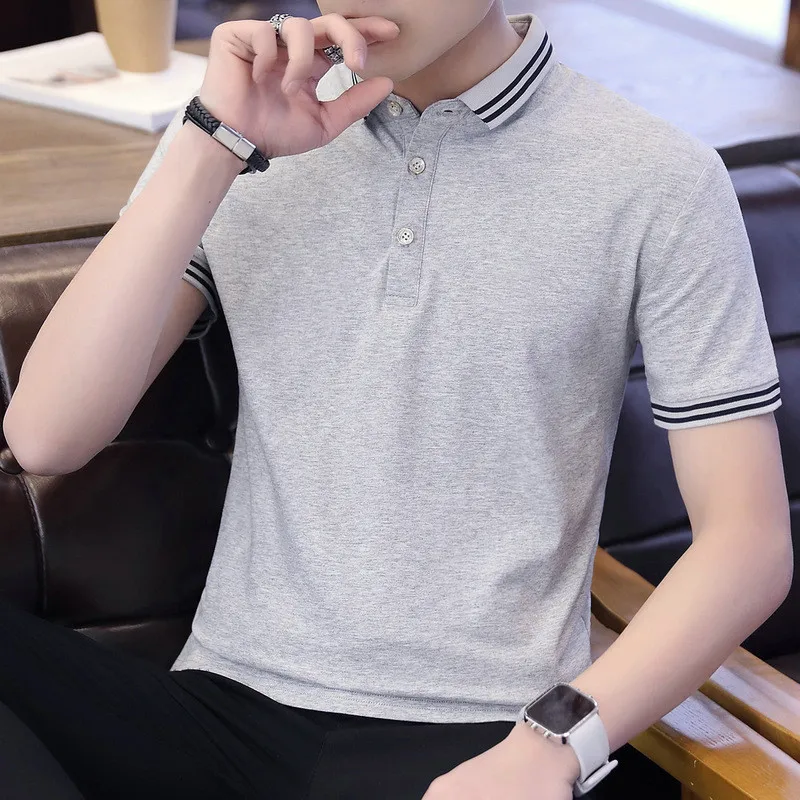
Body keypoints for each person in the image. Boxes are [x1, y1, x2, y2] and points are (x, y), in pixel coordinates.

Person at [2, 1, 792, 799]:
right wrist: (213, 143)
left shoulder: (657, 176)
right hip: (218, 714)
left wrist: (554, 744)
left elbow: (748, 545)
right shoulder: (233, 127)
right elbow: (47, 436)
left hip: (483, 739)